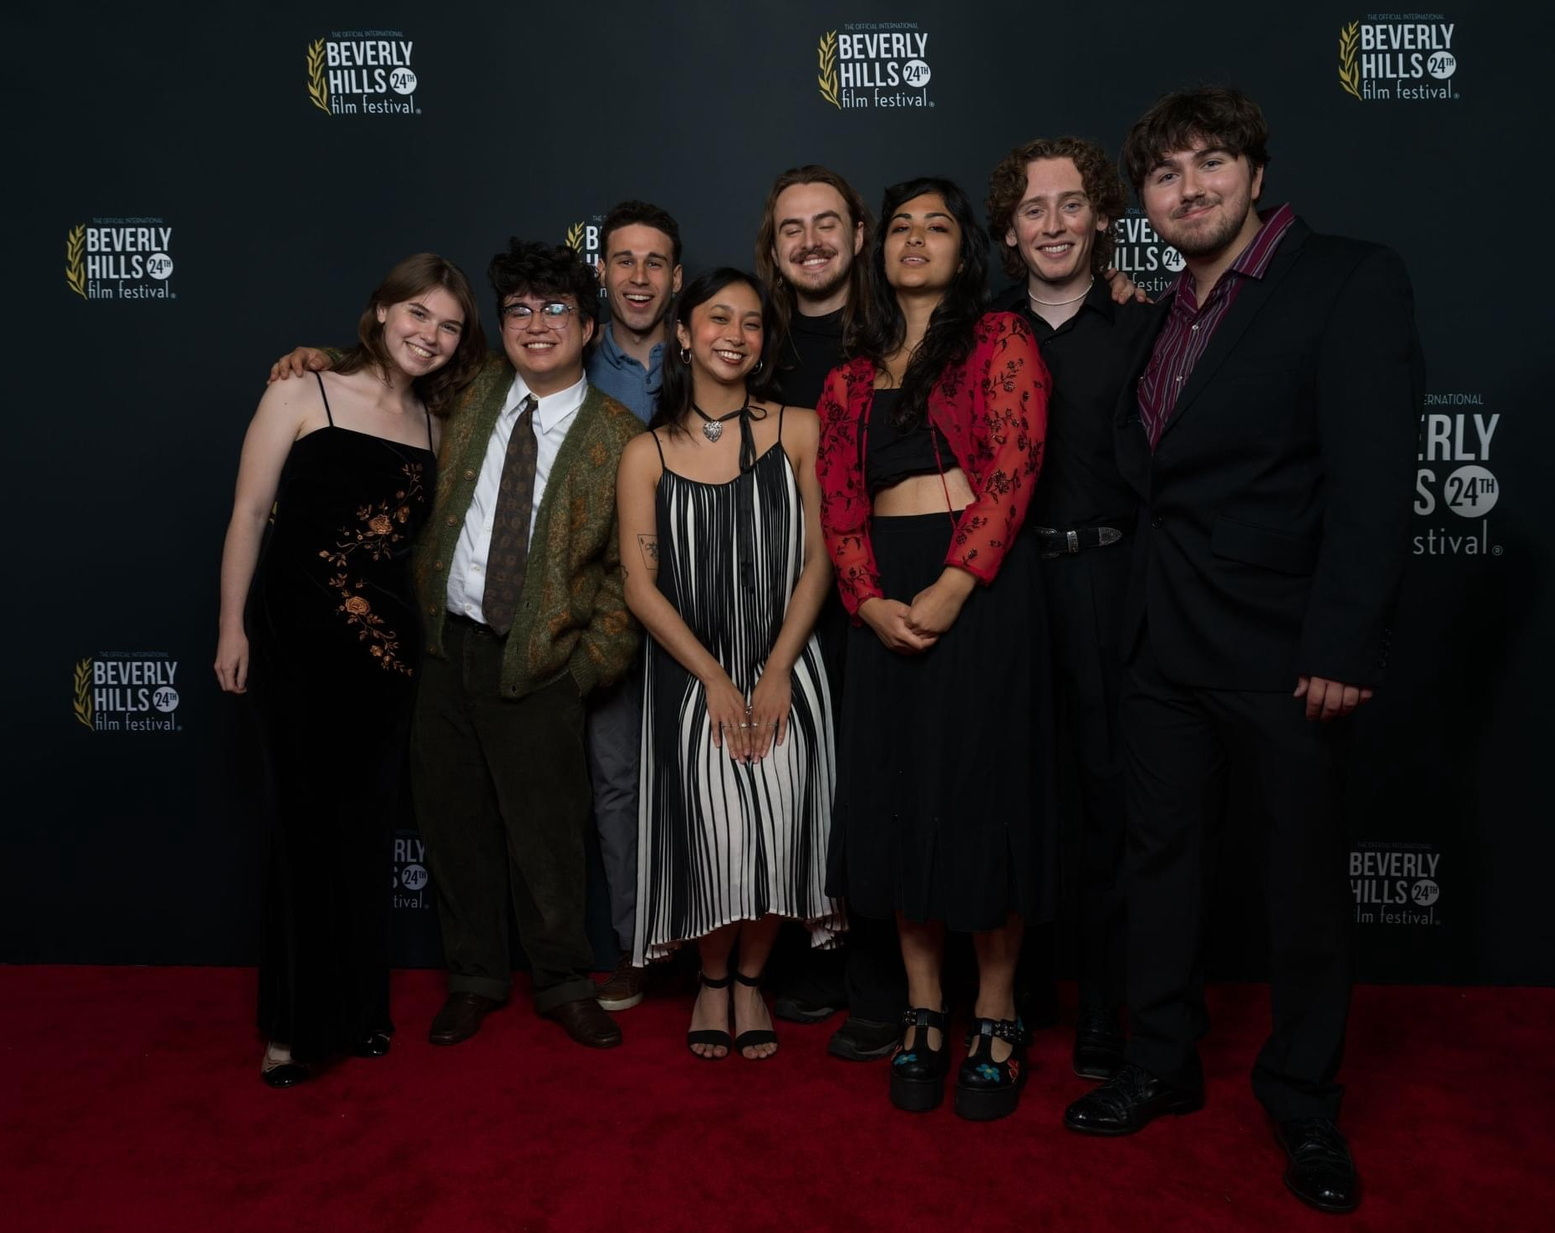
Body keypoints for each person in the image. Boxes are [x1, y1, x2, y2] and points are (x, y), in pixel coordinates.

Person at [1061, 89, 1423, 1216]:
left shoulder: (1346, 279)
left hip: (1283, 649)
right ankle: (1160, 1062)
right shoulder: (1162, 312)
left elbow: (1372, 479)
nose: (1190, 188)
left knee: (1300, 885)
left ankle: (1304, 1101)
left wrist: (1343, 640)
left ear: (1256, 174)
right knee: (1161, 867)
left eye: (1210, 162)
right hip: (1161, 640)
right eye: (1165, 175)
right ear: (1146, 204)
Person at [215, 253, 485, 1087]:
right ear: (381, 310)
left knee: (364, 832)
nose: (430, 335)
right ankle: (291, 1027)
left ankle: (360, 1007)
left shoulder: (438, 425)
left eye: (448, 326)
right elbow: (248, 513)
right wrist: (231, 626)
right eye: (418, 313)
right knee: (301, 831)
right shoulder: (303, 391)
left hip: (384, 655)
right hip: (292, 643)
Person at [818, 177, 1053, 1120]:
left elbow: (1014, 465)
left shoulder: (1000, 339)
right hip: (884, 592)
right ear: (879, 251)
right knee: (901, 794)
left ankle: (995, 1009)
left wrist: (955, 583)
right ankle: (924, 1008)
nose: (915, 239)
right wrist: (867, 599)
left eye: (937, 226)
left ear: (965, 251)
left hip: (980, 588)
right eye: (901, 227)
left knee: (982, 795)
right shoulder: (848, 376)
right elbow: (838, 506)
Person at [617, 268, 842, 1061]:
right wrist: (714, 679)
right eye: (718, 318)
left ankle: (751, 978)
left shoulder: (800, 429)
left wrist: (776, 669)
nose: (735, 335)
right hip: (690, 671)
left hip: (788, 660)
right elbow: (639, 585)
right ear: (683, 332)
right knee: (713, 829)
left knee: (779, 816)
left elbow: (820, 559)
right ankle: (711, 979)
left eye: (750, 323)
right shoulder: (645, 452)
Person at [985, 137, 1159, 1081]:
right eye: (1032, 209)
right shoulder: (980, 333)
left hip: (1109, 581)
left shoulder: (1144, 324)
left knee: (1107, 798)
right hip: (1008, 584)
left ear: (1099, 218)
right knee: (1017, 790)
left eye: (1069, 204)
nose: (1052, 225)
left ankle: (1102, 1001)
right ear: (1009, 231)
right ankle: (1014, 992)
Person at [754, 166, 906, 1060]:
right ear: (772, 248)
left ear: (858, 235)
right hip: (782, 602)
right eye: (790, 228)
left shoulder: (901, 328)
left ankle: (885, 976)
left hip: (881, 594)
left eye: (825, 223)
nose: (809, 241)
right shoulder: (754, 341)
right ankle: (816, 957)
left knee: (877, 787)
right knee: (800, 791)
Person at [583, 201, 685, 1014]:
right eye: (624, 260)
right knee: (617, 781)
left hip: (700, 605)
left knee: (705, 775)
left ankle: (718, 946)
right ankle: (633, 944)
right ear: (603, 270)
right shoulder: (569, 356)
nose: (639, 276)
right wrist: (331, 358)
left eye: (654, 262)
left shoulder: (711, 347)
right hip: (608, 610)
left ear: (676, 277)